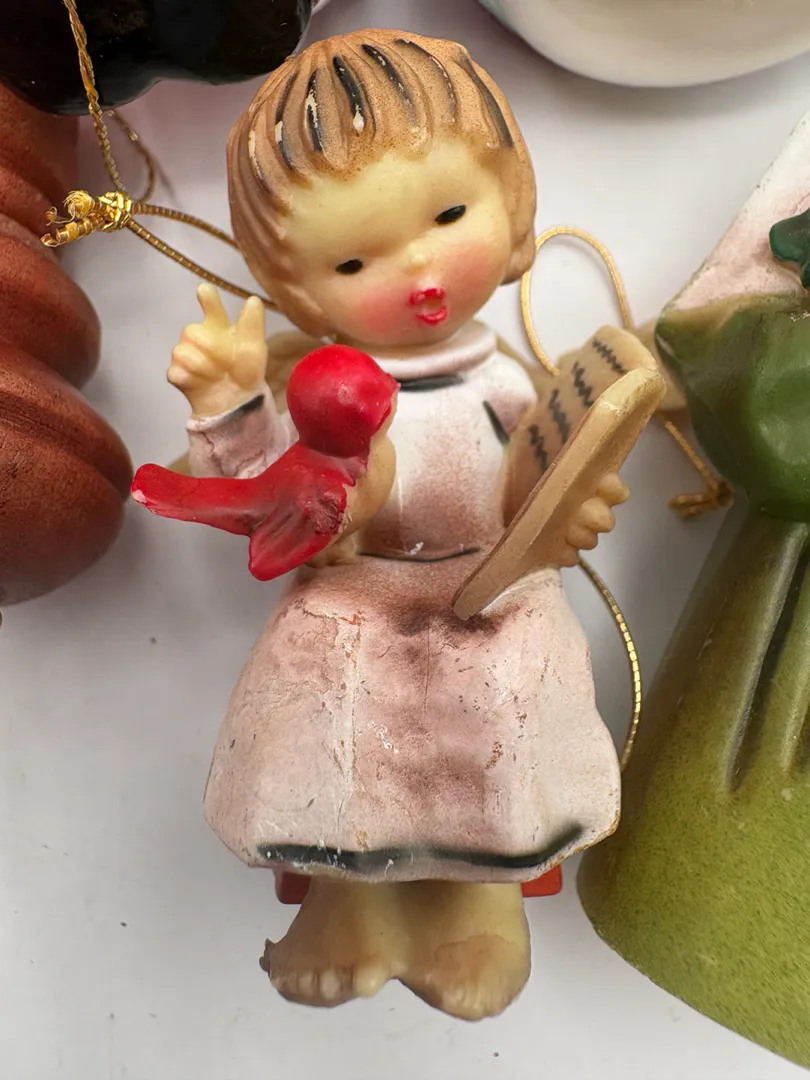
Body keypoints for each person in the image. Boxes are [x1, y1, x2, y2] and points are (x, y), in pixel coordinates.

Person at [162, 29, 622, 1019]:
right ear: (299, 288)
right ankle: (350, 906)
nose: (419, 267)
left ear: (512, 203)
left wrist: (566, 506)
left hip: (487, 595)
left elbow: (534, 479)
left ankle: (481, 908)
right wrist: (231, 400)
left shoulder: (504, 383)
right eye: (354, 258)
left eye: (449, 213)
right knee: (337, 722)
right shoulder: (322, 386)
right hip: (358, 602)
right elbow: (263, 496)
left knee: (496, 723)